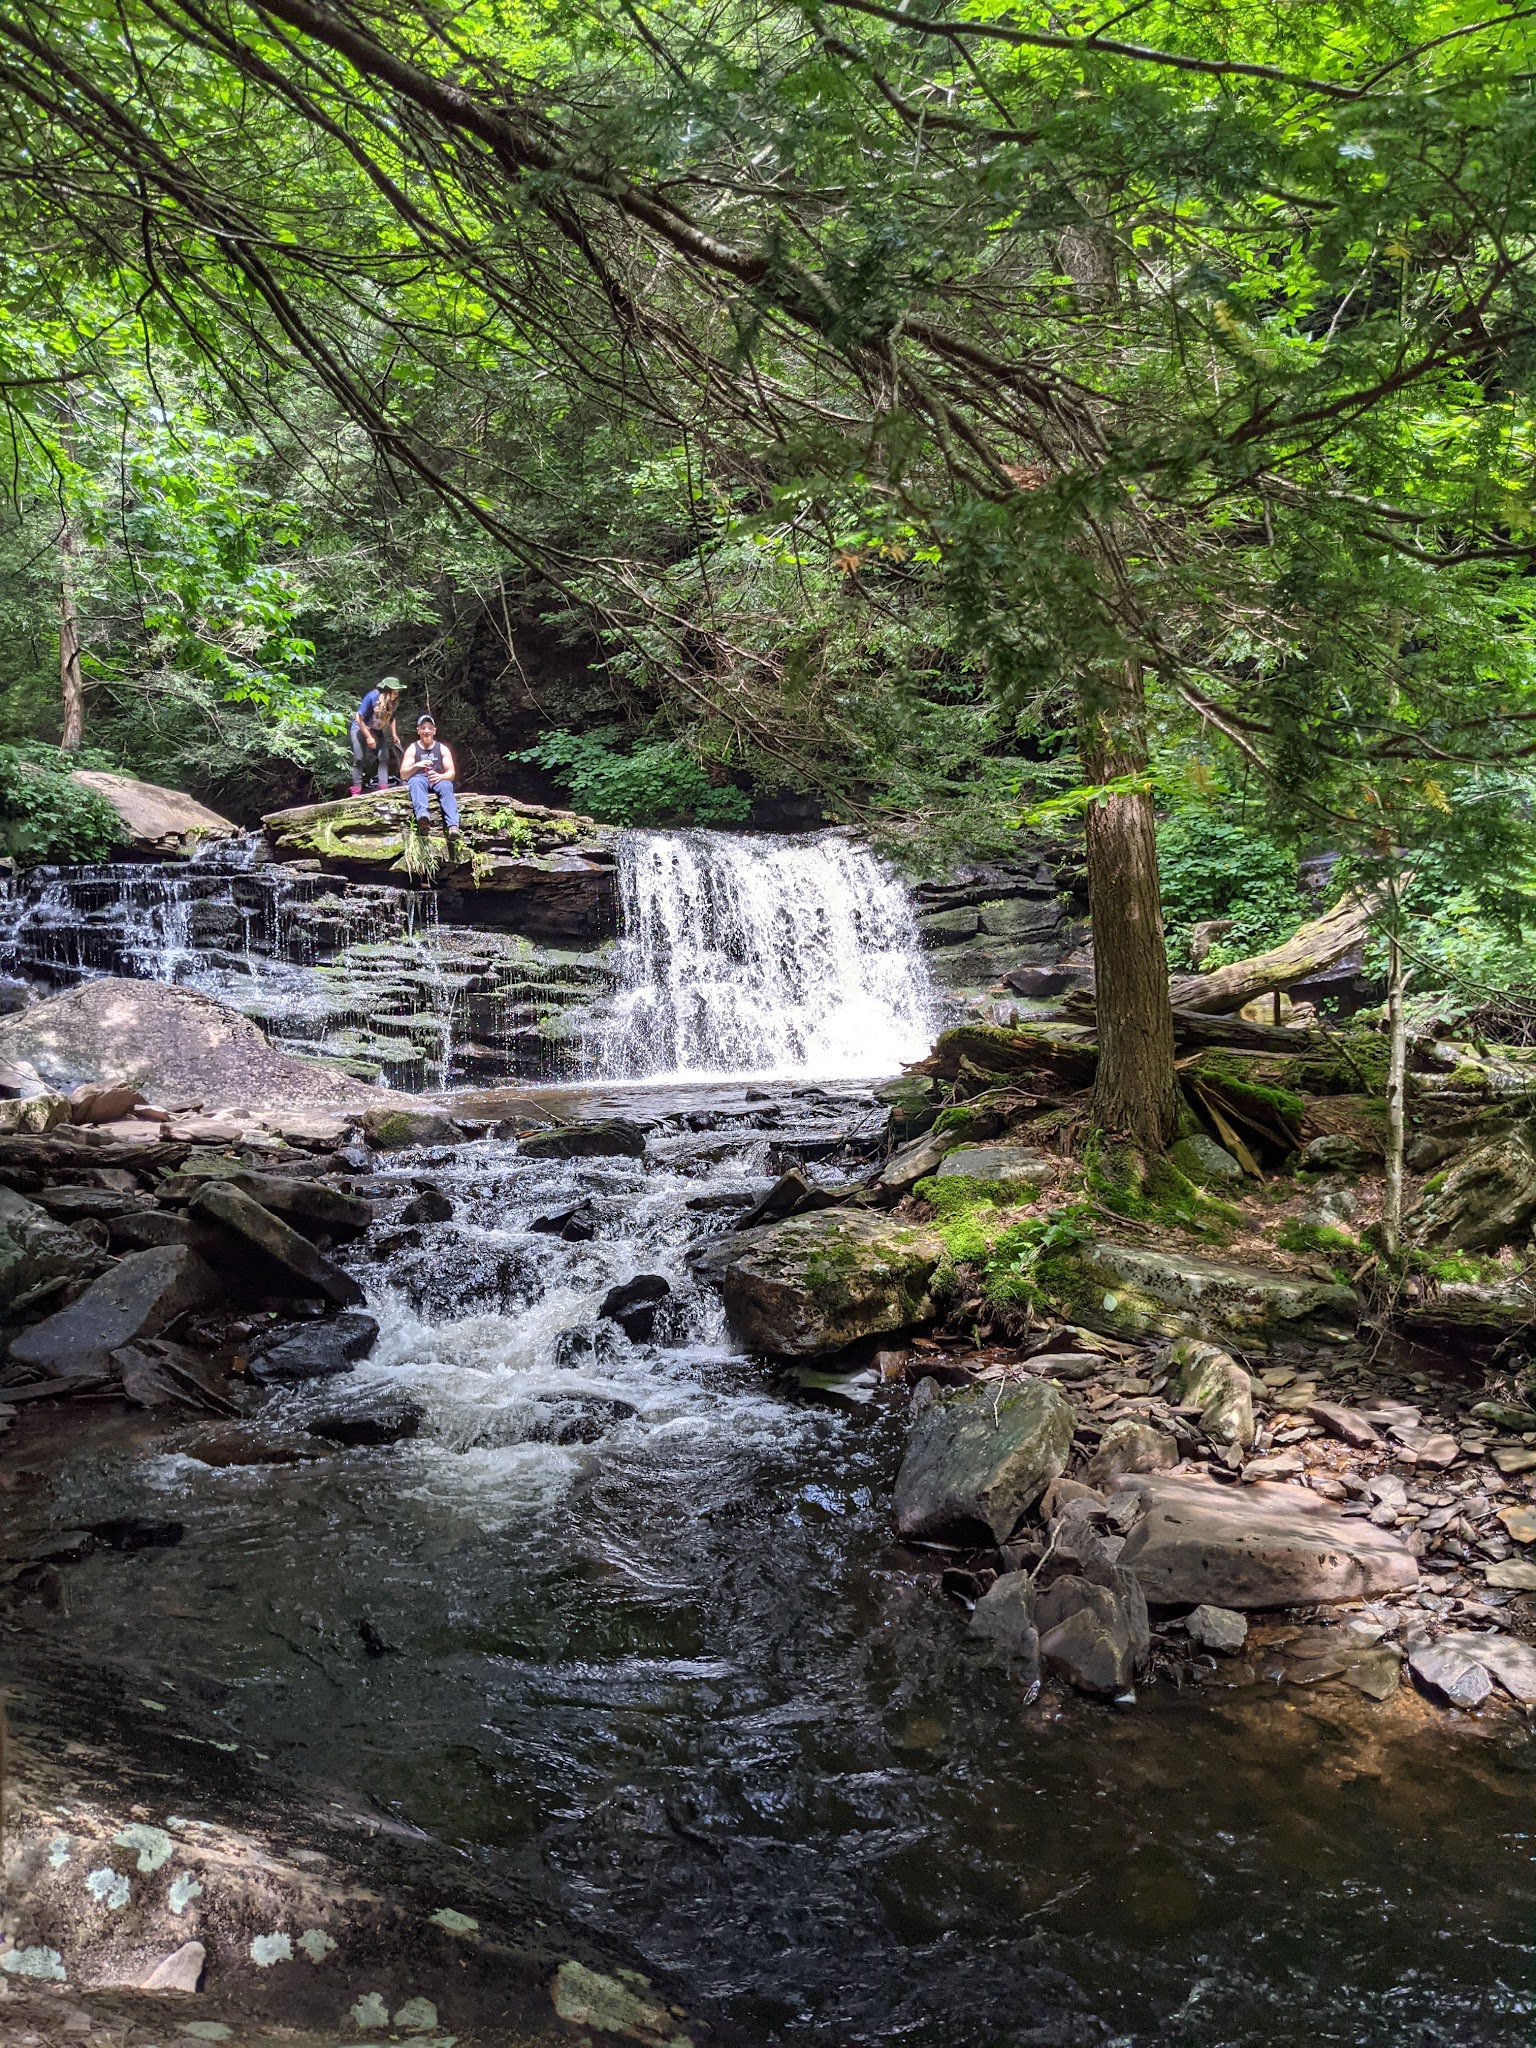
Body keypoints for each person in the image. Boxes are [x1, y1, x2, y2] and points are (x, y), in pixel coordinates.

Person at [399, 713, 462, 848]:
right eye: (423, 728)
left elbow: (451, 773)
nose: (426, 731)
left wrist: (441, 777)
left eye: (429, 728)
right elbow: (404, 774)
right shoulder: (413, 748)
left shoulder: (442, 749)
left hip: (438, 778)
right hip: (420, 778)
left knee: (446, 786)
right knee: (415, 783)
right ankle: (423, 819)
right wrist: (416, 765)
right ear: (418, 731)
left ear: (434, 730)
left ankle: (453, 827)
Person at [350, 677, 401, 794]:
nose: (396, 695)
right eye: (394, 693)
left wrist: (394, 734)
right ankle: (356, 790)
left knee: (384, 757)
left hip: (376, 730)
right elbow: (359, 718)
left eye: (397, 693)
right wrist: (368, 737)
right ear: (387, 691)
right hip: (359, 729)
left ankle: (383, 788)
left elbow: (392, 719)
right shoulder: (371, 697)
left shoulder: (392, 702)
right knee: (359, 758)